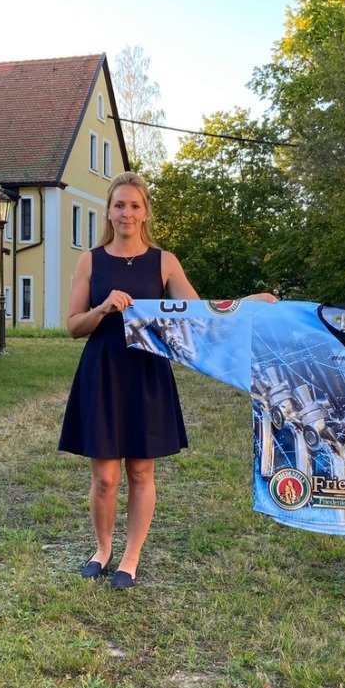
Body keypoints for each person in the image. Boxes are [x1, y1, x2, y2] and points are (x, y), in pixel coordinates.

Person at [59, 171, 274, 589]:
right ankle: (102, 550)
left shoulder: (164, 261)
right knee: (104, 477)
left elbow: (197, 318)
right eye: (119, 205)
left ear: (145, 212)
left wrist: (245, 304)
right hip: (102, 372)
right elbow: (72, 326)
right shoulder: (90, 260)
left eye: (134, 205)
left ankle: (130, 558)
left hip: (146, 374)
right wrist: (103, 308)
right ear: (109, 210)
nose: (127, 213)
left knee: (141, 472)